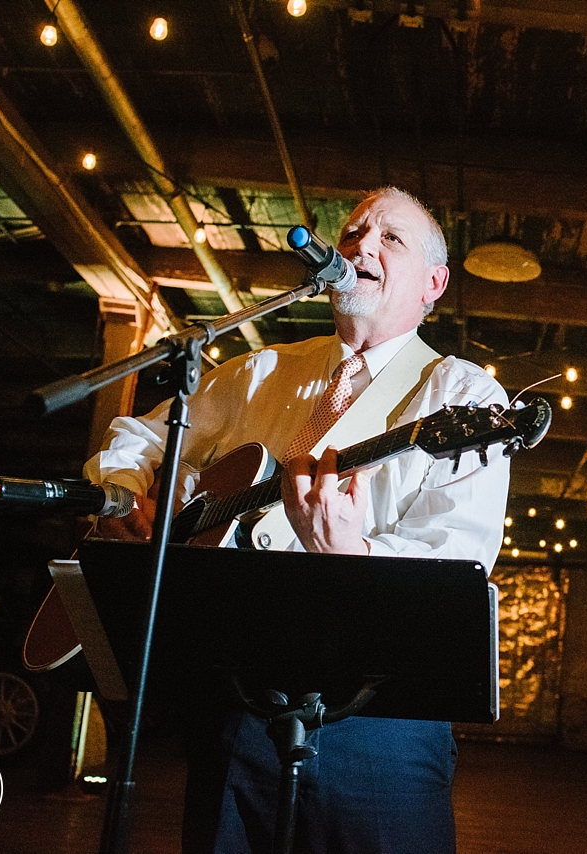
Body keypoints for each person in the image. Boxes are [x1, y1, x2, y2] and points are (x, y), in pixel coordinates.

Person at [83, 186, 511, 854]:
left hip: (382, 725)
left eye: (389, 238)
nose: (361, 245)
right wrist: (126, 496)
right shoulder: (259, 372)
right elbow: (137, 440)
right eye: (350, 235)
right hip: (238, 709)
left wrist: (355, 556)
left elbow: (460, 554)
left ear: (435, 283)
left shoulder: (463, 395)